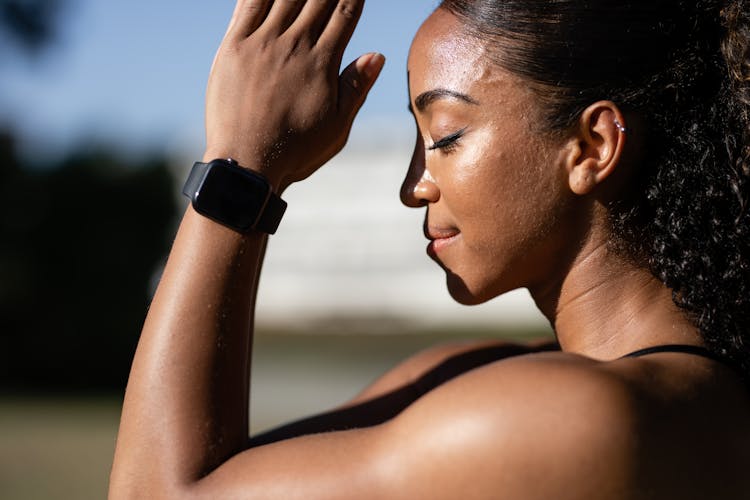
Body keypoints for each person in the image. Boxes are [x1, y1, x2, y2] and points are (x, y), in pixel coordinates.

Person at [109, 0, 750, 498]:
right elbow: (217, 473)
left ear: (592, 148)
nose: (413, 186)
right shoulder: (487, 375)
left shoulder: (572, 416)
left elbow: (159, 492)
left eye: (444, 136)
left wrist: (242, 167)